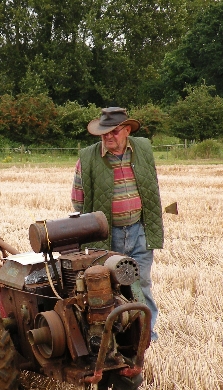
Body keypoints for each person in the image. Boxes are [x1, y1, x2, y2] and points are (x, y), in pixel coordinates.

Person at [71, 107, 163, 342]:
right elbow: (78, 200)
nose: (108, 136)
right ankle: (115, 339)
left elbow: (151, 185)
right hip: (106, 235)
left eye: (113, 131)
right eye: (104, 132)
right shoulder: (88, 158)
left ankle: (146, 336)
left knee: (141, 284)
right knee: (107, 286)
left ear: (127, 130)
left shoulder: (142, 149)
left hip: (139, 230)